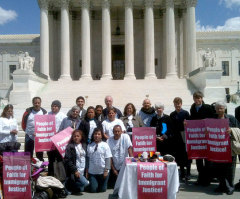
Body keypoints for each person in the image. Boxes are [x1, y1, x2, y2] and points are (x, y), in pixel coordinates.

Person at [213, 101, 240, 195]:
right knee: (219, 167)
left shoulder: (231, 118)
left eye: (221, 108)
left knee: (230, 168)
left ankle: (230, 187)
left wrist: (231, 130)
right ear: (215, 109)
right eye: (218, 108)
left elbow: (238, 130)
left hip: (229, 147)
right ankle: (221, 185)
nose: (219, 110)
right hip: (217, 148)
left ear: (225, 109)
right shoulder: (213, 119)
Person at [189, 91, 215, 186]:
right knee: (199, 159)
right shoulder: (192, 108)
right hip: (197, 138)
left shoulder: (208, 107)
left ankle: (207, 179)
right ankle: (200, 178)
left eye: (199, 98)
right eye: (196, 98)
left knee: (207, 159)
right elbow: (191, 120)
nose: (197, 100)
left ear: (202, 98)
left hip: (206, 137)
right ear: (194, 99)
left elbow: (213, 120)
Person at [170, 97, 191, 181]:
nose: (177, 105)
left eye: (178, 103)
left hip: (184, 135)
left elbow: (190, 124)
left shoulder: (186, 113)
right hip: (176, 137)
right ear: (174, 104)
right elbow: (170, 126)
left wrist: (186, 124)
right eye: (175, 104)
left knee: (187, 155)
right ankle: (182, 172)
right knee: (179, 155)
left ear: (181, 104)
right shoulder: (172, 114)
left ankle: (188, 173)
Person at [86, 128, 112, 193]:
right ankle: (91, 184)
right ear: (93, 135)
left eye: (98, 134)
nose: (97, 136)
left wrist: (106, 170)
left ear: (101, 136)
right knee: (93, 190)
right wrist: (87, 170)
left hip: (103, 172)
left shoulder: (105, 145)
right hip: (92, 173)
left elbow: (108, 158)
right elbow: (87, 159)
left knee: (102, 190)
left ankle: (100, 184)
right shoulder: (89, 145)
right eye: (95, 134)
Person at [64, 130, 89, 194]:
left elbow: (86, 158)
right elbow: (67, 160)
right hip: (75, 170)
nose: (76, 137)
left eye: (78, 136)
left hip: (82, 169)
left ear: (81, 137)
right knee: (86, 183)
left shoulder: (84, 145)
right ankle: (67, 187)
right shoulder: (70, 146)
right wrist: (75, 170)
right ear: (72, 137)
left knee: (81, 189)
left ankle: (69, 187)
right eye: (74, 136)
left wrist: (87, 169)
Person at [47, 100, 67, 176]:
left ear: (59, 107)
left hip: (59, 141)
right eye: (52, 106)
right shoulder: (47, 114)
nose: (53, 107)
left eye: (55, 106)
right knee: (50, 159)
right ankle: (50, 174)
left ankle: (60, 175)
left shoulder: (63, 116)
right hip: (49, 141)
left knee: (59, 159)